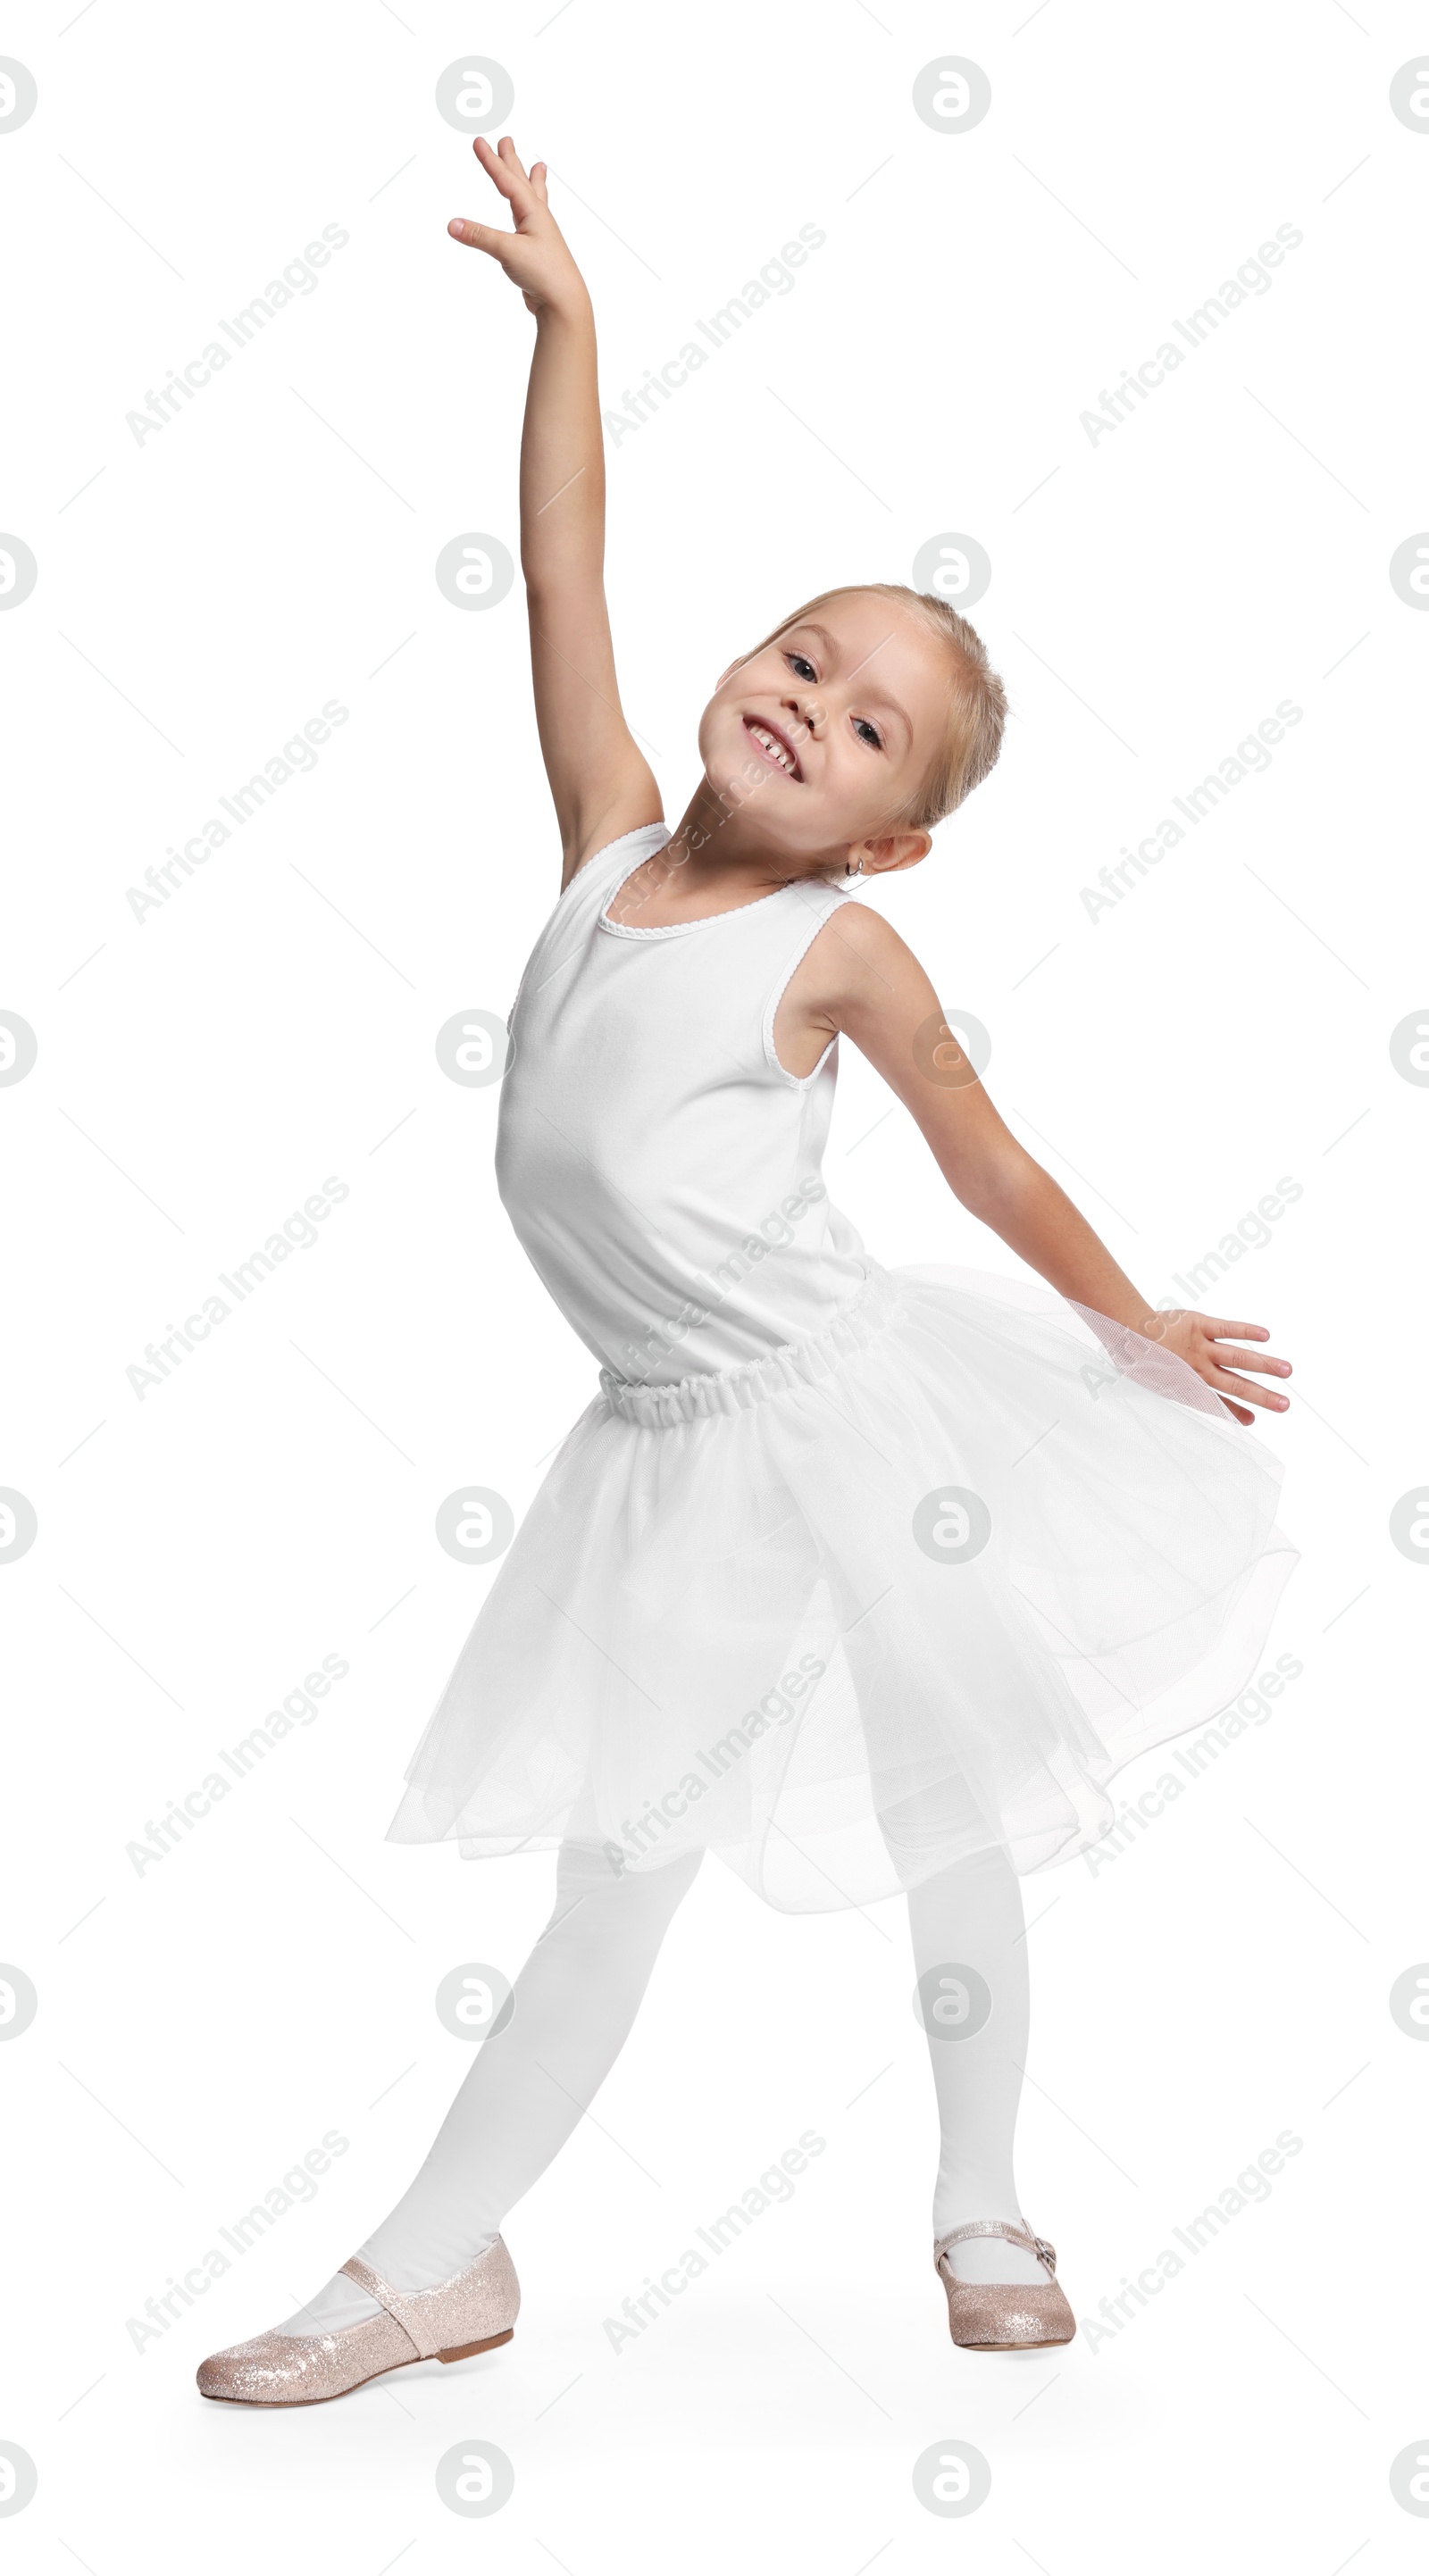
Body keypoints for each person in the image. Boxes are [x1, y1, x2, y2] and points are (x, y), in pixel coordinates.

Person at [197, 137, 1296, 2405]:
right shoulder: (607, 832)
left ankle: (977, 2200)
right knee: (620, 1864)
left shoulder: (840, 948)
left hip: (846, 1417)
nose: (806, 700)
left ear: (889, 835)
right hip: (668, 1453)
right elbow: (562, 570)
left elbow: (979, 1161)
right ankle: (444, 2266)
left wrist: (1131, 1326)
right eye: (803, 655)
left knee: (948, 1794)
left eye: (864, 722)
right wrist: (573, 329)